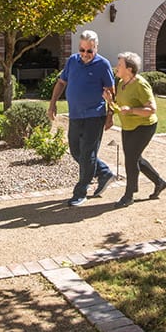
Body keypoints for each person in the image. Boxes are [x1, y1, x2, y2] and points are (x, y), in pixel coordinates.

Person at [48, 30, 116, 207]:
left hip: (95, 115)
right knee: (75, 151)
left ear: (96, 48)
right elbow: (62, 82)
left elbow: (111, 91)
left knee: (87, 153)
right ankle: (104, 172)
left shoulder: (103, 64)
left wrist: (110, 115)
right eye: (82, 50)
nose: (85, 54)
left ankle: (81, 191)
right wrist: (52, 103)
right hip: (76, 115)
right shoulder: (72, 61)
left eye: (89, 51)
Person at [104, 51, 166, 208]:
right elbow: (119, 106)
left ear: (130, 69)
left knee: (131, 159)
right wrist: (109, 101)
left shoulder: (140, 84)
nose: (116, 67)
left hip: (144, 126)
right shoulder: (120, 82)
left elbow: (152, 109)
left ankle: (129, 194)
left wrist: (132, 110)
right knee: (135, 157)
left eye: (120, 65)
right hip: (128, 126)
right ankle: (159, 182)